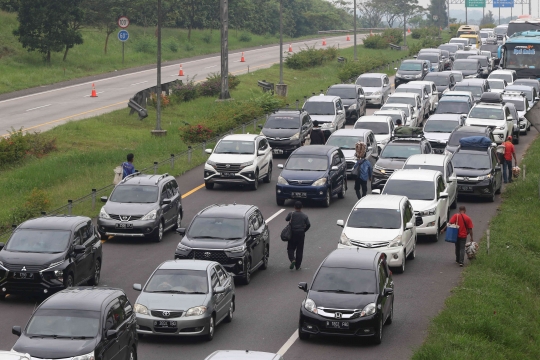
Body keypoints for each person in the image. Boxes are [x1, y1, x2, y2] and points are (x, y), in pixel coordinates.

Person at [285, 201, 311, 270]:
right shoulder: (305, 216)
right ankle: (298, 266)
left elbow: (286, 219)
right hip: (301, 233)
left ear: (294, 207)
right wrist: (304, 230)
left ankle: (292, 259)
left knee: (290, 248)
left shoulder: (291, 214)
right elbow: (308, 224)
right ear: (302, 207)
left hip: (292, 233)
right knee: (299, 250)